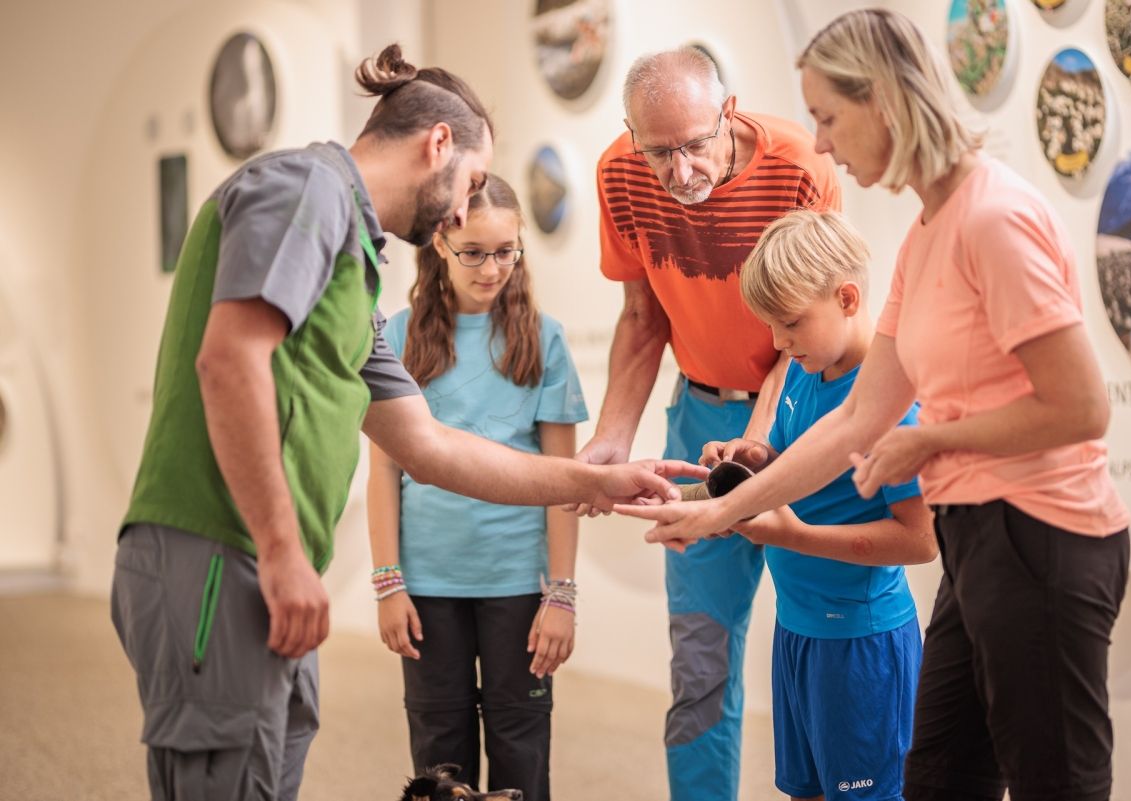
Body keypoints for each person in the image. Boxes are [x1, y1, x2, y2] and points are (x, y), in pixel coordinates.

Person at [110, 46, 701, 801]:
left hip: (259, 558)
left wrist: (595, 477)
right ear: (438, 145)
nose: (464, 210)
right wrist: (284, 551)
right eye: (473, 183)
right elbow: (230, 361)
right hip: (221, 551)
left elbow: (430, 447)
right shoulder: (307, 189)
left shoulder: (352, 267)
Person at [617, 10, 1131, 801]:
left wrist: (927, 444)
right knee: (938, 778)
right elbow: (857, 420)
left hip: (1046, 533)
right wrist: (718, 514)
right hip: (977, 537)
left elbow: (1082, 406)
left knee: (1051, 779)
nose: (818, 143)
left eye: (828, 117)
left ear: (885, 102)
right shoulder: (928, 231)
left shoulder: (993, 217)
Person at [574, 46, 840, 801]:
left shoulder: (798, 168)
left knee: (820, 638)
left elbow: (811, 325)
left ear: (729, 114)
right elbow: (641, 314)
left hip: (799, 407)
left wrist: (761, 439)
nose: (680, 169)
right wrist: (612, 436)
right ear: (630, 136)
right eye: (658, 151)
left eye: (695, 144)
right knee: (701, 657)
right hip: (696, 417)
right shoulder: (619, 176)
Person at [698, 209, 935, 801]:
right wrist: (751, 457)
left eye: (791, 324)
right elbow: (793, 462)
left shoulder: (892, 404)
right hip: (798, 627)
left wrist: (792, 534)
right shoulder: (808, 369)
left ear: (848, 297)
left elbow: (921, 541)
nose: (778, 343)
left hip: (862, 645)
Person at [367, 174, 585, 801]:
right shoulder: (397, 336)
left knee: (522, 753)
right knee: (439, 765)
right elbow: (384, 468)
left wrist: (562, 596)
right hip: (428, 587)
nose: (493, 269)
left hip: (519, 586)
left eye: (507, 252)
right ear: (440, 243)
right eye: (475, 253)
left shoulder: (544, 340)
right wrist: (388, 581)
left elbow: (562, 482)